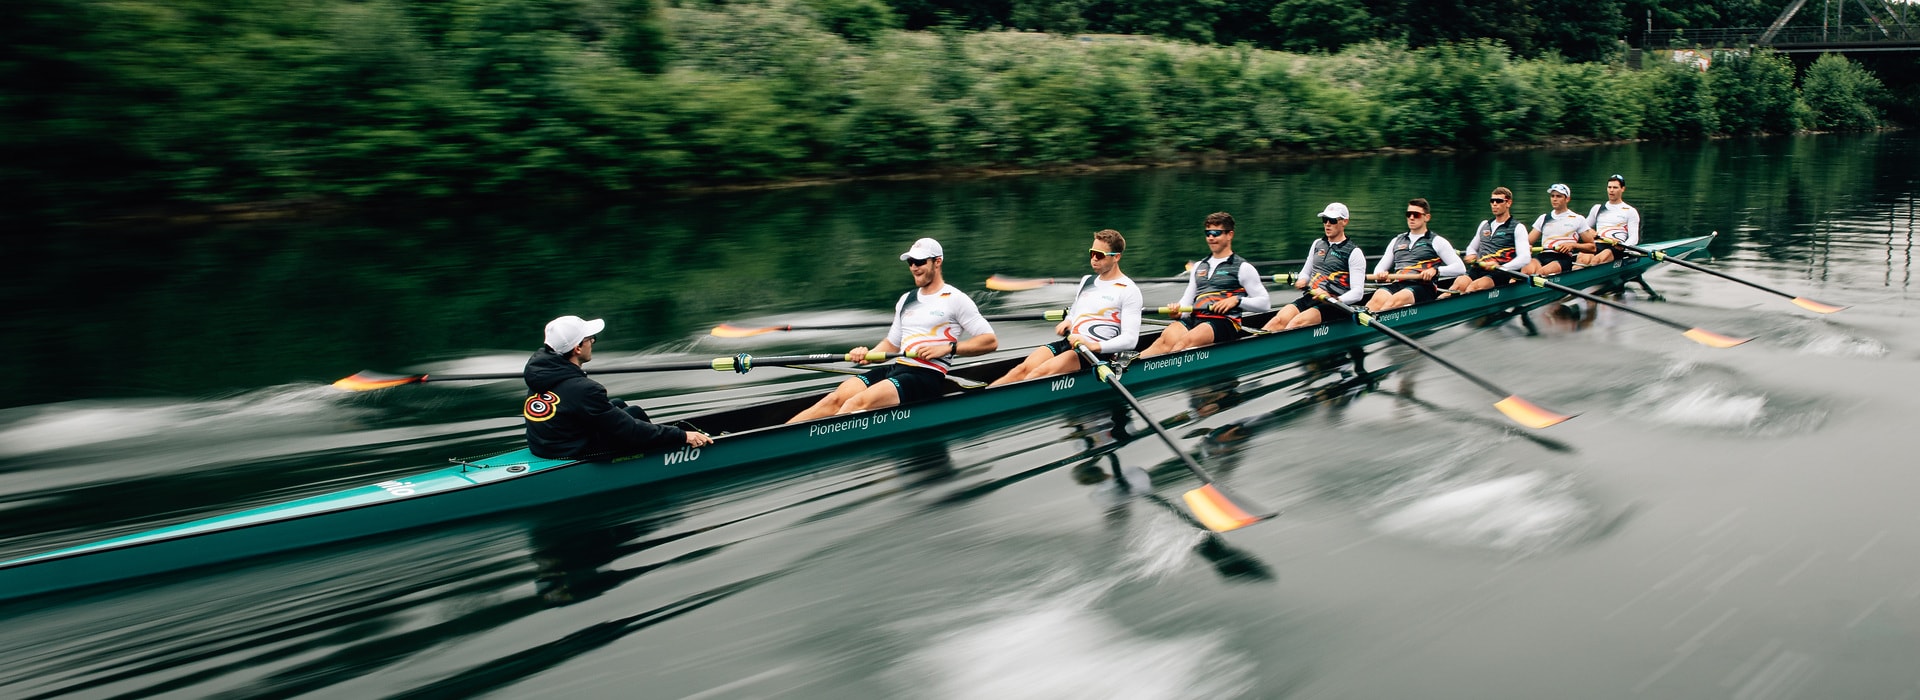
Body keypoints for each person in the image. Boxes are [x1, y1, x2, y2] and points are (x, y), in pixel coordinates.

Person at [787, 238, 998, 422]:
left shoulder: (956, 299)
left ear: (937, 262)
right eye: (910, 262)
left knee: (856, 403)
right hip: (897, 368)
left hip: (926, 376)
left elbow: (990, 341)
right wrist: (867, 355)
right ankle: (786, 436)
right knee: (836, 398)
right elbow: (891, 344)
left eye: (920, 262)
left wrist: (948, 348)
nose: (914, 267)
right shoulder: (906, 300)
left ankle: (813, 444)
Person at [523, 315, 713, 460]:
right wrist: (681, 436)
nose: (593, 342)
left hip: (543, 445)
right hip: (568, 450)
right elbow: (630, 430)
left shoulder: (541, 371)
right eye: (591, 338)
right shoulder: (585, 389)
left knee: (617, 404)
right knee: (635, 414)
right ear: (577, 348)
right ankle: (659, 459)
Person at [990, 229, 1143, 386]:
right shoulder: (1087, 281)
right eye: (1092, 253)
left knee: (1037, 374)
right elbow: (1076, 311)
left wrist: (1093, 345)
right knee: (1021, 370)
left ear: (1116, 257)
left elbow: (1130, 339)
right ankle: (985, 399)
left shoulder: (1129, 290)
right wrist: (1069, 320)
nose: (1094, 259)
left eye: (1100, 255)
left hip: (1095, 353)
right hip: (1070, 341)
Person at [1138, 212, 1271, 357]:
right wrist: (1177, 312)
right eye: (1208, 233)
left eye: (1216, 233)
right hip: (1196, 318)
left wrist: (1237, 300)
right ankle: (1128, 369)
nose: (1211, 237)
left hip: (1224, 322)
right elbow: (1186, 302)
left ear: (1230, 235)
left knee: (1184, 344)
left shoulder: (1243, 268)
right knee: (1164, 341)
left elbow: (1265, 304)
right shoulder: (1198, 266)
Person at [1263, 203, 1366, 331]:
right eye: (1324, 220)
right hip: (1311, 297)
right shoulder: (1317, 244)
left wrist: (1336, 299)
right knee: (1277, 321)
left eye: (1332, 220)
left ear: (1344, 222)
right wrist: (1302, 279)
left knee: (1295, 324)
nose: (1327, 224)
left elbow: (1358, 293)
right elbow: (1306, 272)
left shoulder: (1354, 252)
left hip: (1334, 305)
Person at [1365, 197, 1466, 312]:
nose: (1411, 218)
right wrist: (1380, 276)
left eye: (1416, 215)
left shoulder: (1437, 241)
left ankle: (1375, 325)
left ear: (1426, 217)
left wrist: (1436, 271)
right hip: (1398, 283)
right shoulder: (1396, 241)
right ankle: (1362, 326)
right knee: (1375, 300)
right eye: (1409, 214)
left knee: (1395, 301)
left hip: (1422, 287)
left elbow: (1460, 268)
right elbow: (1380, 267)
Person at [1447, 187, 1533, 295]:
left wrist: (1501, 267)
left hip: (1501, 272)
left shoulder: (1518, 227)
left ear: (1508, 203)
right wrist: (1472, 254)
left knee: (1473, 287)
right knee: (1457, 285)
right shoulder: (1484, 224)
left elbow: (1525, 258)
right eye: (1492, 201)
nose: (1494, 204)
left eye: (1499, 201)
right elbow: (1472, 247)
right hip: (1479, 268)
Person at [1523, 183, 1598, 276]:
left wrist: (1573, 245)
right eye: (1552, 196)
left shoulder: (1578, 219)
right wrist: (1526, 247)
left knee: (1541, 273)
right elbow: (1527, 242)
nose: (1554, 199)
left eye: (1559, 196)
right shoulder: (1543, 218)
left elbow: (1592, 248)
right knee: (1525, 271)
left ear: (1567, 199)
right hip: (1543, 255)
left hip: (1563, 258)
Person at [1579, 174, 1641, 266]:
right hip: (1597, 244)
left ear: (1622, 189)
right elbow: (1582, 228)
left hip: (1616, 247)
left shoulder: (1630, 211)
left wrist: (1623, 246)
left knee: (1597, 261)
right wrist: (1589, 231)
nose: (1611, 190)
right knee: (1581, 258)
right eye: (1609, 187)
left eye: (1615, 187)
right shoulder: (1597, 208)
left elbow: (1634, 238)